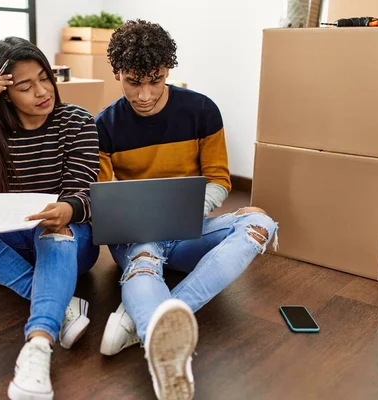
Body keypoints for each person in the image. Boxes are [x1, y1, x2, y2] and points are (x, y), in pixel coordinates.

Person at [95, 20, 278, 399]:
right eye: (133, 82)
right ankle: (162, 345)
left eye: (156, 79)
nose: (145, 94)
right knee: (145, 253)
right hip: (135, 237)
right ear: (117, 74)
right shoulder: (104, 126)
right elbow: (103, 195)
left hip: (189, 230)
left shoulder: (202, 111)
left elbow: (219, 179)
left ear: (168, 71)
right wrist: (141, 224)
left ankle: (140, 316)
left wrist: (189, 212)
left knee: (259, 223)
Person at [0, 37, 100, 400]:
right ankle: (58, 300)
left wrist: (67, 209)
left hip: (68, 238)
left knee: (53, 227)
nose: (42, 92)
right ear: (5, 93)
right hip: (13, 234)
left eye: (45, 78)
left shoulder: (77, 121)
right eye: (26, 86)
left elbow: (86, 191)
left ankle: (38, 345)